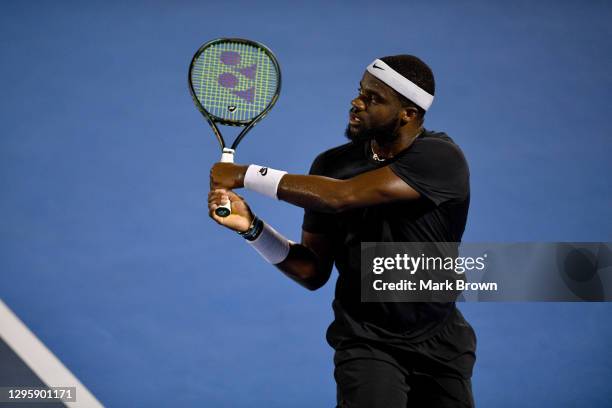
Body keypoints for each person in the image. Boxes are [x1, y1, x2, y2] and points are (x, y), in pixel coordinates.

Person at [208, 55, 476, 407]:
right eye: (360, 91)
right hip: (366, 341)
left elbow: (341, 197)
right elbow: (311, 270)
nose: (357, 102)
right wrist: (253, 228)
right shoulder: (331, 166)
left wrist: (246, 175)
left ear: (408, 114)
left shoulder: (441, 159)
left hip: (441, 340)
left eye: (374, 98)